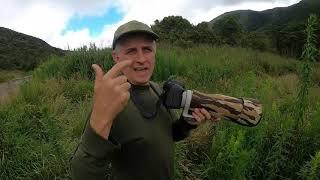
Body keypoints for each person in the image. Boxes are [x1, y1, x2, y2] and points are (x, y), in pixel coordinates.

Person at [70, 20, 219, 180]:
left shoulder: (157, 89)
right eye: (131, 51)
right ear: (116, 57)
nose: (141, 59)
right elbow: (81, 173)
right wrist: (99, 121)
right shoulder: (112, 102)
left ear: (154, 52)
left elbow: (168, 135)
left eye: (147, 49)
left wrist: (187, 122)